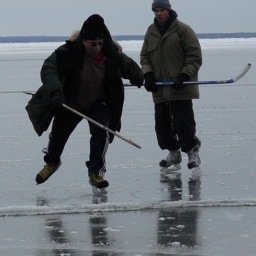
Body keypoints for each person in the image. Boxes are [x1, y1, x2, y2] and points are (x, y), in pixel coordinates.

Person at [26, 14, 143, 192]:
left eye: (100, 43)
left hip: (97, 103)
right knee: (57, 136)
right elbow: (48, 69)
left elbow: (131, 68)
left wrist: (142, 78)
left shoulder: (111, 54)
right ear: (83, 41)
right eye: (92, 44)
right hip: (70, 102)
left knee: (102, 131)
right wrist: (56, 91)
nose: (97, 48)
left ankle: (96, 172)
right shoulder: (67, 52)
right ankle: (52, 163)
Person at [140, 0, 202, 172]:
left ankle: (192, 151)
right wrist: (148, 74)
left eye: (162, 10)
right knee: (162, 126)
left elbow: (195, 56)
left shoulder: (183, 30)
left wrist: (184, 74)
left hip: (180, 88)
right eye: (156, 11)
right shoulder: (150, 32)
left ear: (169, 10)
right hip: (160, 88)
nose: (159, 14)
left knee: (184, 123)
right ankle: (173, 152)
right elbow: (145, 57)